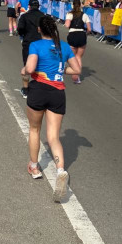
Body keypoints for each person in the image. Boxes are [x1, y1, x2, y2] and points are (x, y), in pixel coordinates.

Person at [23, 15, 81, 202]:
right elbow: (77, 69)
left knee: (34, 129)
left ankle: (34, 166)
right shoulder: (63, 46)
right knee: (53, 136)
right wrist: (60, 70)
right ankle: (61, 170)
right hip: (58, 92)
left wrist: (24, 71)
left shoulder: (36, 45)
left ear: (40, 29)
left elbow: (30, 68)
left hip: (39, 89)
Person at [16, 0, 44, 98]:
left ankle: (26, 89)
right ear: (38, 6)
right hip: (41, 43)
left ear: (29, 6)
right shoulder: (43, 16)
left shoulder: (25, 16)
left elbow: (20, 29)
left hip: (29, 42)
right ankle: (40, 87)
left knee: (27, 66)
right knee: (40, 66)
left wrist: (23, 34)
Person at [64, 0, 91, 84]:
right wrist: (85, 34)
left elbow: (67, 25)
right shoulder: (85, 15)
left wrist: (67, 24)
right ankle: (76, 77)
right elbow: (89, 29)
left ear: (72, 5)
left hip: (72, 34)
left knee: (72, 56)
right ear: (80, 5)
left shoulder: (69, 14)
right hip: (82, 35)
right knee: (78, 57)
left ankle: (73, 72)